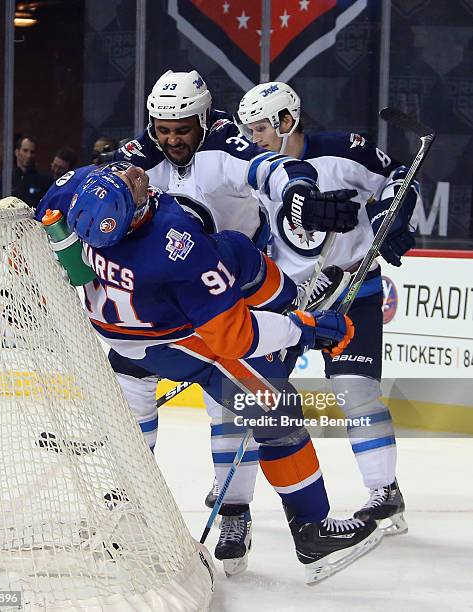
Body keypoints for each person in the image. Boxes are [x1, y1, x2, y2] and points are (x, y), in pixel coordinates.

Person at [35, 162, 383, 583]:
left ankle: (122, 508)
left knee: (234, 249)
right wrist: (303, 331)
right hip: (176, 345)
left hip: (120, 336)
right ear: (130, 214)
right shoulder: (173, 247)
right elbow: (233, 339)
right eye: (131, 184)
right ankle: (312, 531)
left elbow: (43, 228)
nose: (137, 175)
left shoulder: (72, 193)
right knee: (276, 410)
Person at [97, 69, 362, 573]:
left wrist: (298, 194)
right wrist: (305, 326)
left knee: (193, 417)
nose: (171, 139)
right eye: (162, 128)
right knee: (266, 403)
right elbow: (239, 327)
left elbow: (273, 170)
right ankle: (305, 525)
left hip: (149, 320)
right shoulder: (188, 229)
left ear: (204, 118)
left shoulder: (219, 149)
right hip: (198, 312)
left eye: (182, 128)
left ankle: (208, 514)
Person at [235, 81, 418, 535]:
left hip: (355, 288)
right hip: (289, 297)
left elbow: (399, 176)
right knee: (261, 393)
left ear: (286, 121)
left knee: (354, 389)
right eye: (249, 128)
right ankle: (237, 505)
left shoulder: (343, 150)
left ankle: (384, 490)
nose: (253, 137)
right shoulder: (252, 166)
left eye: (261, 127)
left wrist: (391, 215)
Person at [12, 135, 52, 208]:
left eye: (32, 152)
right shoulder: (4, 181)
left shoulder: (45, 181)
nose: (29, 155)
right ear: (17, 152)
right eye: (25, 150)